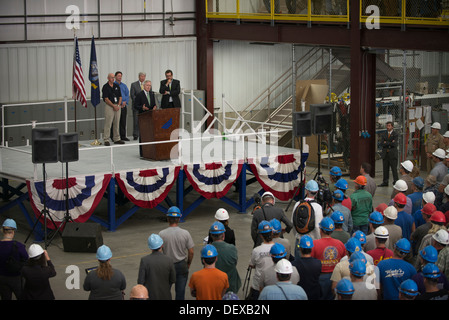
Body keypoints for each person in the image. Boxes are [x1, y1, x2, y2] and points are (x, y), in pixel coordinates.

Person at [159, 206, 194, 300]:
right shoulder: (185, 233)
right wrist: (188, 263)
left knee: (165, 291)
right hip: (182, 265)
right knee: (180, 293)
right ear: (179, 219)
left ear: (168, 218)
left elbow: (159, 252)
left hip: (167, 265)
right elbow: (191, 251)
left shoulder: (161, 234)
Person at [311, 217, 346, 300]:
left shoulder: (314, 244)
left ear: (320, 230)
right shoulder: (340, 244)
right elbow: (344, 260)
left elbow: (311, 261)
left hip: (321, 277)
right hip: (336, 278)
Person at [137, 234, 176, 300]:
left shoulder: (144, 260)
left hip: (150, 296)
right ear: (161, 245)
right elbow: (173, 279)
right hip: (165, 295)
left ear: (150, 247)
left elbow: (140, 281)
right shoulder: (169, 260)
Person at [291, 180, 323, 258]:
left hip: (299, 241)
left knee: (298, 265)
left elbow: (293, 222)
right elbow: (317, 227)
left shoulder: (298, 204)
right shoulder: (318, 207)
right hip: (312, 243)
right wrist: (317, 240)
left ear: (306, 191)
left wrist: (298, 235)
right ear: (317, 192)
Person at [209, 221, 241, 294]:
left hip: (214, 286)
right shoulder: (232, 248)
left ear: (211, 235)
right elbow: (234, 262)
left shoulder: (207, 250)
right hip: (230, 286)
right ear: (223, 235)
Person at [0, 219, 28, 300]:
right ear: (13, 231)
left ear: (3, 231)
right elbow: (26, 259)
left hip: (1, 277)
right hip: (15, 277)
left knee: (5, 297)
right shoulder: (19, 246)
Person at [248, 220, 275, 300]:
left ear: (260, 235)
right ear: (272, 233)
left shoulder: (256, 250)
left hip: (258, 285)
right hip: (273, 284)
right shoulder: (278, 249)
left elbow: (251, 265)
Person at [292, 235, 321, 300]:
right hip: (314, 295)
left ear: (300, 248)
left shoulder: (294, 265)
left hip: (300, 295)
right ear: (311, 248)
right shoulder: (318, 263)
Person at [134, 80, 157, 157]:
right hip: (143, 116)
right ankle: (142, 152)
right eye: (147, 85)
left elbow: (153, 104)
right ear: (143, 86)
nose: (148, 87)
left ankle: (150, 150)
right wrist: (142, 108)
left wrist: (154, 107)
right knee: (143, 135)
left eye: (150, 86)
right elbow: (135, 106)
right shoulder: (139, 94)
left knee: (151, 134)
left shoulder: (152, 94)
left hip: (151, 116)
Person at [101, 73, 124, 146]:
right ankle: (106, 139)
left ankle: (116, 138)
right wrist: (113, 106)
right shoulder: (105, 87)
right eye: (111, 77)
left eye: (113, 77)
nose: (113, 79)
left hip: (117, 106)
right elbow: (106, 99)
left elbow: (120, 97)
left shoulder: (116, 86)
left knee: (117, 123)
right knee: (108, 123)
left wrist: (118, 105)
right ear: (108, 78)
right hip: (110, 106)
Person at [379, 121, 399, 187]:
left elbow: (394, 144)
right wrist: (390, 142)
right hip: (385, 154)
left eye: (389, 126)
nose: (388, 127)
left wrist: (386, 142)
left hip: (393, 154)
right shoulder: (384, 134)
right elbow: (382, 143)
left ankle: (396, 181)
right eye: (387, 126)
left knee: (394, 169)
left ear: (392, 126)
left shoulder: (395, 134)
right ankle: (385, 181)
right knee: (385, 168)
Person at [130, 72, 146, 140]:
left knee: (144, 121)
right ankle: (135, 135)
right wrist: (139, 102)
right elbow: (132, 95)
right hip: (136, 106)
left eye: (144, 76)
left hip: (145, 107)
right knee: (136, 121)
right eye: (141, 76)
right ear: (139, 77)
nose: (142, 78)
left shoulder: (146, 84)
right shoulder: (134, 84)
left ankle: (143, 134)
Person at [114, 71, 130, 141]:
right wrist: (119, 103)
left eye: (120, 76)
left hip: (124, 105)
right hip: (117, 106)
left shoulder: (124, 86)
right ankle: (115, 136)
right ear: (115, 77)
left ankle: (123, 136)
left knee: (123, 121)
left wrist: (125, 102)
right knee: (116, 122)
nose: (120, 77)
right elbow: (113, 95)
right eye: (118, 76)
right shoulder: (113, 85)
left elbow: (127, 94)